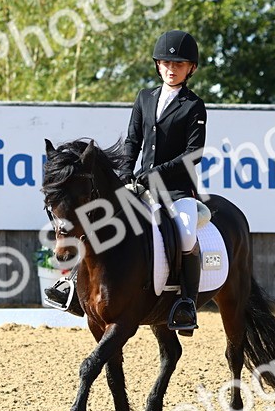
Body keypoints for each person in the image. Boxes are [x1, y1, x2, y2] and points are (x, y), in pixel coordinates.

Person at [45, 30, 207, 332]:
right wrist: (125, 176)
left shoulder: (193, 105)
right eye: (166, 63)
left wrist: (156, 173)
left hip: (175, 189)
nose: (172, 69)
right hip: (140, 185)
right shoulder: (145, 98)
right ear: (158, 65)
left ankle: (186, 303)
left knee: (185, 234)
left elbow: (193, 152)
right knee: (98, 219)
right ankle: (71, 287)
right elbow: (133, 141)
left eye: (180, 64)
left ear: (190, 69)